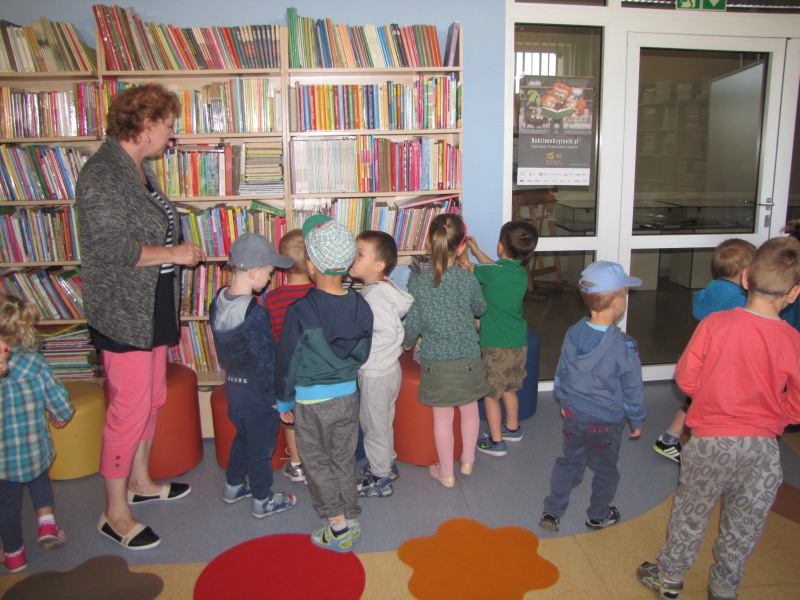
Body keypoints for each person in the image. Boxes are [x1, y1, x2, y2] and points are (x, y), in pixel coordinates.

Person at [76, 84, 205, 550]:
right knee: (128, 409)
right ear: (146, 126)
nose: (171, 135)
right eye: (168, 126)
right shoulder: (102, 173)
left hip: (151, 303)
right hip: (123, 310)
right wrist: (173, 253)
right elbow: (109, 247)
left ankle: (141, 481)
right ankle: (114, 512)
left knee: (151, 398)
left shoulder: (137, 168)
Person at [637, 237, 800, 600]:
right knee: (745, 523)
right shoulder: (793, 340)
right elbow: (797, 401)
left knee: (690, 513)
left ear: (745, 278)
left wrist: (709, 398)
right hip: (761, 448)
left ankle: (670, 578)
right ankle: (724, 587)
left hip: (710, 443)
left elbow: (686, 378)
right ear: (793, 293)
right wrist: (781, 415)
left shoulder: (716, 324)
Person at [276, 215, 373, 553]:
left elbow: (287, 361)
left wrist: (284, 401)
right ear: (348, 264)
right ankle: (351, 514)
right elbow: (363, 352)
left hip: (311, 402)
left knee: (316, 462)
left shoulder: (299, 311)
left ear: (311, 265)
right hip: (348, 396)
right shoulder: (362, 304)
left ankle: (337, 526)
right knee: (344, 458)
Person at [538, 261, 645, 532]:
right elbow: (632, 387)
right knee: (606, 469)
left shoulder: (574, 332)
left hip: (574, 415)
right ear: (618, 302)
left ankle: (552, 511)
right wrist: (637, 418)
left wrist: (564, 401)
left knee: (570, 461)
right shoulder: (624, 346)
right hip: (606, 423)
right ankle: (598, 515)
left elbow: (562, 371)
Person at [210, 233, 297, 519]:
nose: (270, 279)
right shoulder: (255, 313)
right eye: (269, 273)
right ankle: (262, 499)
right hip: (258, 392)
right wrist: (276, 400)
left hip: (234, 387)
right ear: (254, 272)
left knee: (244, 437)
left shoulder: (218, 300)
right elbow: (265, 361)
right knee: (262, 447)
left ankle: (234, 485)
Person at [403, 213, 488, 487]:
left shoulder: (419, 282)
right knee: (470, 409)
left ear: (429, 242)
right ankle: (468, 461)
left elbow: (413, 323)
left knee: (442, 417)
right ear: (461, 247)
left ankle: (447, 473)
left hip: (436, 363)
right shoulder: (467, 279)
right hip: (468, 359)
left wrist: (407, 343)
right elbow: (480, 309)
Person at [652, 239, 756, 464]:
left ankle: (669, 438)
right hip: (723, 360)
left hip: (705, 354)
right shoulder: (738, 300)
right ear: (746, 272)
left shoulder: (713, 287)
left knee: (695, 399)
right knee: (710, 404)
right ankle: (706, 448)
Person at [0, 295, 75, 573]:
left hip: (3, 462)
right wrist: (60, 415)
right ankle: (47, 525)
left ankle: (14, 555)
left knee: (7, 504)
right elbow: (59, 401)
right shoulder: (35, 364)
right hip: (35, 449)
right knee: (39, 479)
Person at [459, 221, 538, 457]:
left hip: (496, 345)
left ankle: (496, 442)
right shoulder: (520, 274)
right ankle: (512, 429)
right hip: (518, 344)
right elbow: (493, 268)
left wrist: (464, 251)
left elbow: (467, 267)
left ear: (500, 245)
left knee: (491, 394)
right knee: (510, 388)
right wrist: (476, 250)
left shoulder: (492, 273)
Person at [349, 231, 414, 497]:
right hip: (387, 369)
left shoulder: (375, 297)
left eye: (359, 254)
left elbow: (388, 334)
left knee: (373, 426)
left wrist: (359, 349)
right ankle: (386, 463)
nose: (352, 258)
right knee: (382, 422)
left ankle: (380, 479)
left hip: (376, 372)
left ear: (378, 266)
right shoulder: (383, 289)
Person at [265, 229, 315, 484]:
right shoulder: (320, 294)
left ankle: (296, 464)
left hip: (286, 371)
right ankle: (317, 462)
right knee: (316, 415)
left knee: (290, 417)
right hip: (316, 369)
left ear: (281, 264)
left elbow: (270, 337)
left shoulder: (272, 299)